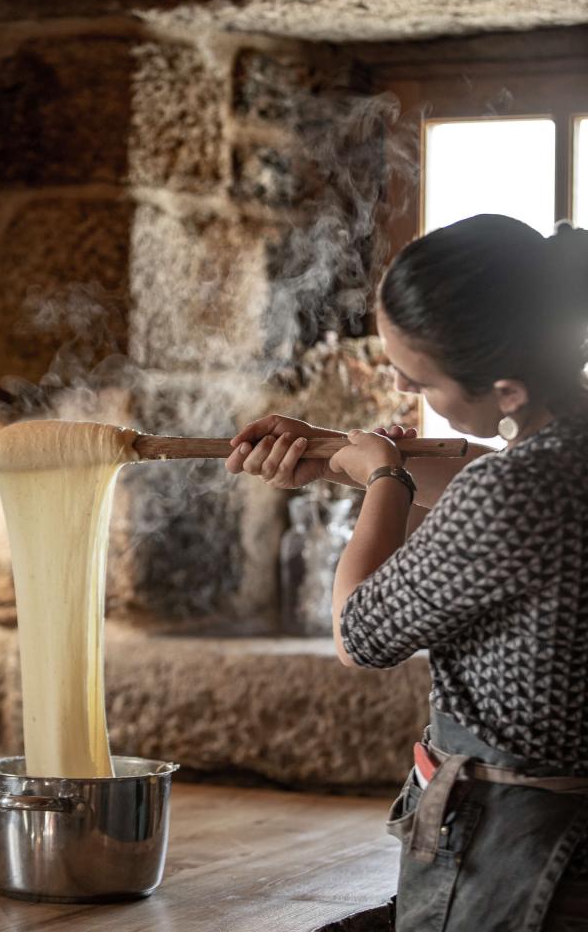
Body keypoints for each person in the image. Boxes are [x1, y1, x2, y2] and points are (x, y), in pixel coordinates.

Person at [226, 214, 588, 932]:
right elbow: (482, 488)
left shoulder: (512, 495)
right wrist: (341, 455)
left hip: (524, 858)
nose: (395, 382)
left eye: (415, 376)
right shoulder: (555, 459)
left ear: (508, 390)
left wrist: (383, 477)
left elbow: (358, 632)